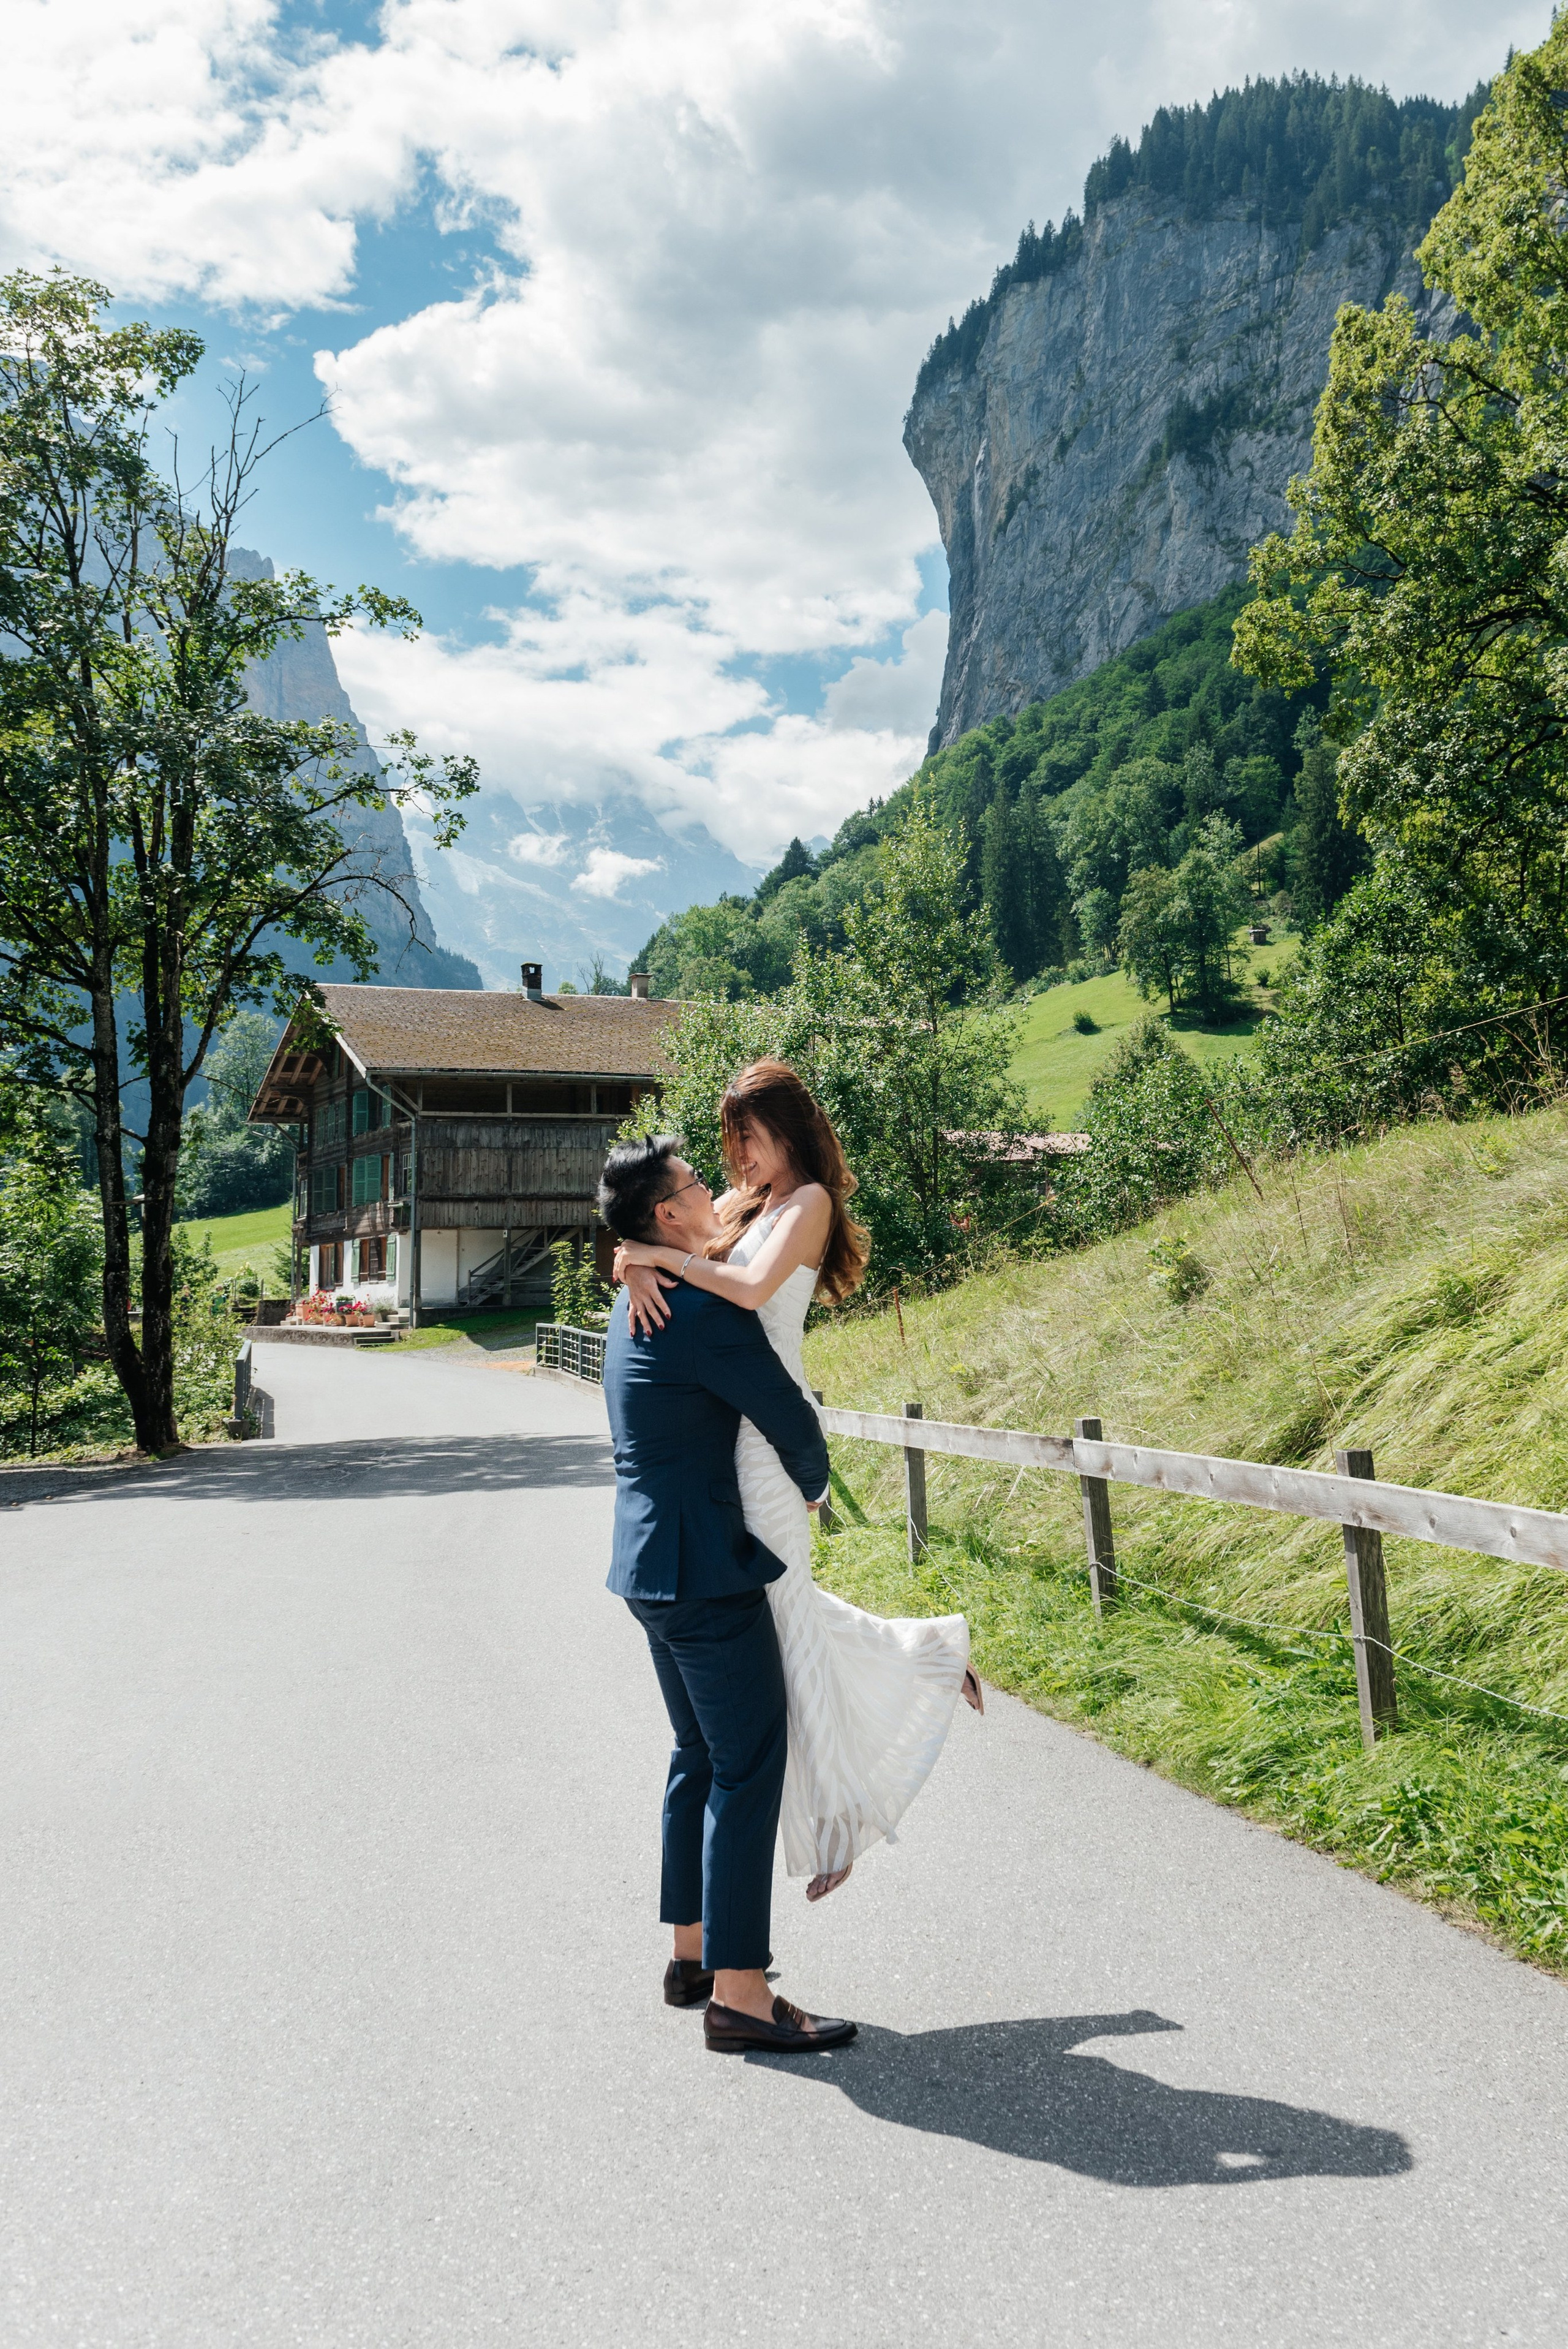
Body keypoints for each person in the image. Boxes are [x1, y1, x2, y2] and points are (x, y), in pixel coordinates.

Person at [614, 1059, 981, 1910]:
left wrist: (646, 1254)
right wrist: (633, 1263)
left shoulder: (807, 1203)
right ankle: (929, 1660)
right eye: (730, 1137)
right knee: (783, 1615)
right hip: (730, 1436)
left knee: (784, 1618)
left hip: (768, 1443)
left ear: (788, 1128)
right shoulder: (747, 1207)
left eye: (749, 1133)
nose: (737, 1154)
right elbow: (682, 1262)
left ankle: (838, 1813)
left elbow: (737, 1287)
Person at [597, 1134, 858, 2057]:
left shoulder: (630, 1302)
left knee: (699, 1752)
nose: (715, 1186)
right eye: (697, 1182)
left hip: (646, 1565)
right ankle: (742, 1996)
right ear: (668, 1213)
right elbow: (783, 1406)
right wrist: (817, 1483)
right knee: (748, 1764)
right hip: (707, 1570)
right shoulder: (700, 1313)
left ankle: (692, 1955)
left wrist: (637, 1258)